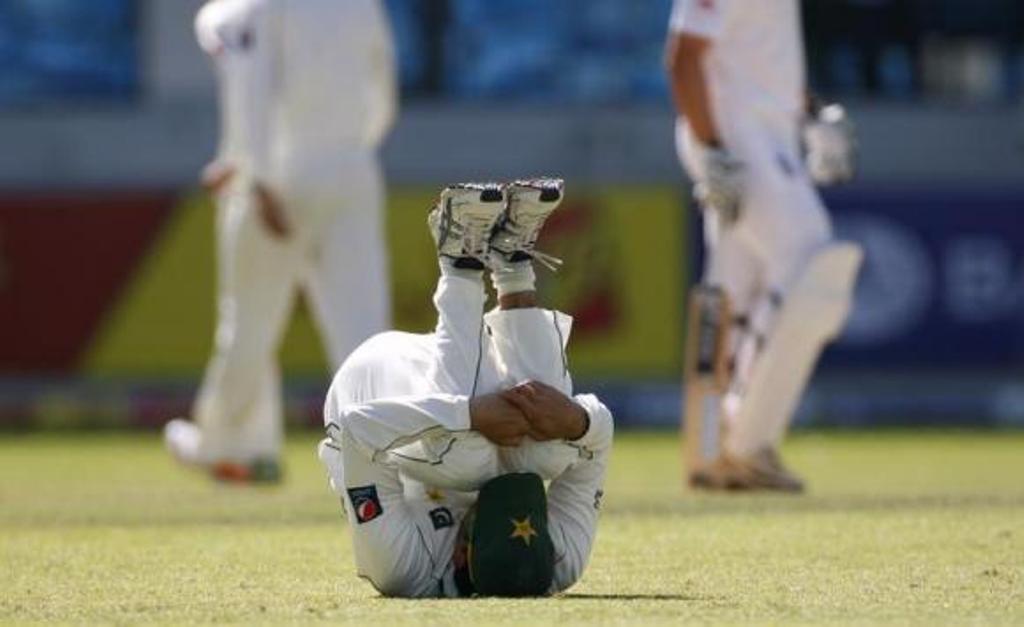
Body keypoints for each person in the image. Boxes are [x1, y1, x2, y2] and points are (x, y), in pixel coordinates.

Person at [317, 179, 614, 597]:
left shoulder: (404, 568)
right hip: (457, 374)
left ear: (460, 554)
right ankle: (513, 264)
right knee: (547, 450)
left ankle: (459, 259)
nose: (495, 491)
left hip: (372, 385)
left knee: (467, 454)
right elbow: (597, 443)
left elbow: (358, 430)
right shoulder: (561, 561)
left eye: (483, 511)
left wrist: (470, 414)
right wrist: (576, 420)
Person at [164, 0, 397, 481]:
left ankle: (230, 444)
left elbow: (251, 89)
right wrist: (347, 152)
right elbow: (384, 94)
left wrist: (257, 177)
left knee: (249, 322)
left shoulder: (257, 9)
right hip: (353, 171)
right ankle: (389, 451)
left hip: (281, 178)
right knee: (363, 328)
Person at [665, 0, 862, 491]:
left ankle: (711, 448)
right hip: (736, 137)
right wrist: (712, 150)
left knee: (732, 287)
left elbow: (759, 60)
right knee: (812, 262)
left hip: (766, 134)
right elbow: (683, 58)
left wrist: (811, 114)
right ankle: (748, 439)